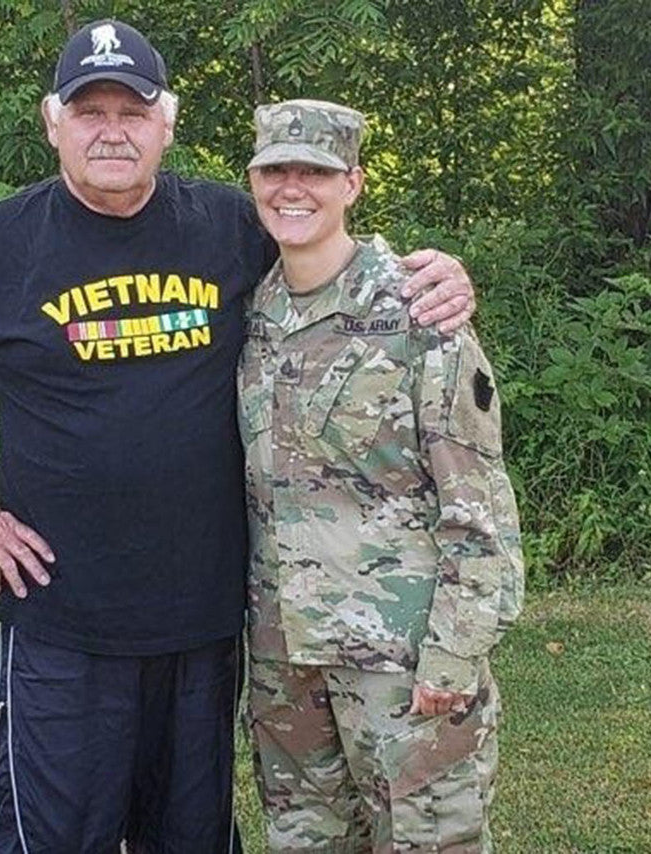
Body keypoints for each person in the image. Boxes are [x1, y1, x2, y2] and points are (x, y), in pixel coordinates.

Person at [0, 20, 476, 854]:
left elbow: (326, 251)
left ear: (168, 121)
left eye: (133, 109)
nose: (111, 130)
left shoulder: (229, 226)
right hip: (61, 622)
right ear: (53, 122)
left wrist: (430, 274)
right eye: (90, 111)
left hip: (206, 623)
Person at [238, 99, 524, 853]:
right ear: (253, 180)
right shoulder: (254, 312)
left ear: (354, 183)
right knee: (304, 839)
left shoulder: (416, 311)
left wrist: (456, 654)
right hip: (285, 661)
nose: (293, 188)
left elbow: (480, 506)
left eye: (317, 173)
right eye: (276, 170)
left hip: (400, 659)